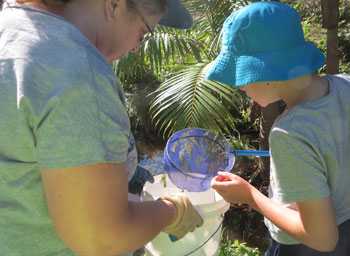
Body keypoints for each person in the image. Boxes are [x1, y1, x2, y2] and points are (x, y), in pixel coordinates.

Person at [0, 0, 204, 255]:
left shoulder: (10, 31)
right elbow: (100, 238)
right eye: (143, 35)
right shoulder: (79, 72)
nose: (134, 49)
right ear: (113, 4)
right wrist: (172, 211)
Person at [206, 2, 350, 256]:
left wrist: (249, 195)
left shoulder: (289, 133)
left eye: (242, 76)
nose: (240, 86)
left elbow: (322, 238)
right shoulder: (345, 85)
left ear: (267, 71)